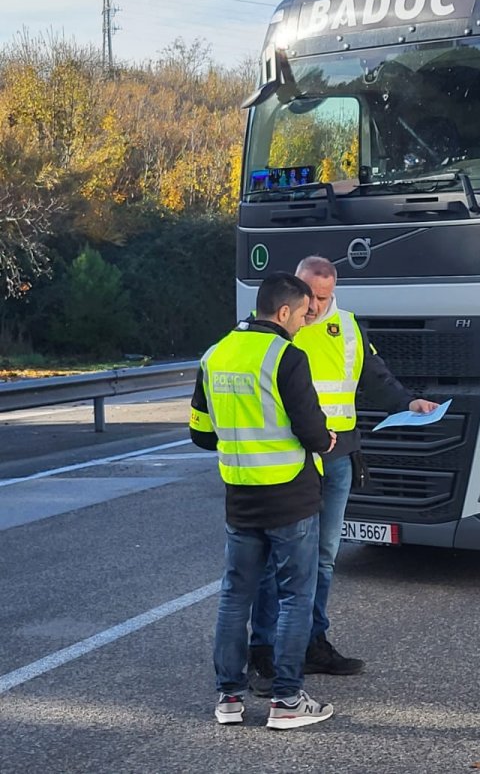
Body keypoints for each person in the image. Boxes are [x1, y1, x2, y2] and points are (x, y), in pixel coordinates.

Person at [247, 256, 438, 696]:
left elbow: (375, 377)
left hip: (336, 457)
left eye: (324, 297)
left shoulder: (348, 326)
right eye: (310, 296)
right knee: (278, 559)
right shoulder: (274, 328)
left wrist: (408, 403)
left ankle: (312, 643)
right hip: (289, 458)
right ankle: (265, 650)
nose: (314, 306)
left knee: (324, 555)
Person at [190, 271, 335, 730]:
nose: (303, 321)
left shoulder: (214, 355)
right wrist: (328, 439)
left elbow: (199, 433)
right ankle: (287, 701)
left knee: (235, 596)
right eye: (301, 313)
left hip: (240, 496)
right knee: (295, 597)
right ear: (284, 310)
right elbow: (311, 432)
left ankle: (228, 698)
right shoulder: (286, 356)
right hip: (290, 496)